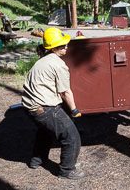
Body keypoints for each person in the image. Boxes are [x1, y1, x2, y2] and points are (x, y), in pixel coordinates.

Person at [21, 27, 85, 180]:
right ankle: (67, 170)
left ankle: (36, 160)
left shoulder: (43, 60)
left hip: (30, 107)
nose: (66, 46)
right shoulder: (58, 64)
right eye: (63, 45)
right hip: (44, 108)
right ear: (54, 47)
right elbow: (65, 92)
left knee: (46, 131)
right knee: (71, 136)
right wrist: (74, 110)